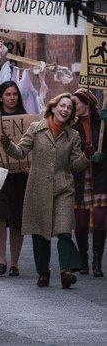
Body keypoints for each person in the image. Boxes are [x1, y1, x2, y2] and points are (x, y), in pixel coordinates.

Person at [1, 93, 90, 289]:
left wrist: (86, 157)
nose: (65, 109)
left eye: (69, 108)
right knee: (40, 234)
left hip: (63, 189)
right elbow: (20, 152)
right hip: (38, 188)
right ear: (53, 107)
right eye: (62, 106)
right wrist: (7, 145)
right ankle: (43, 272)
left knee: (64, 232)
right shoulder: (36, 128)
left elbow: (75, 166)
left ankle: (66, 271)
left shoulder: (73, 136)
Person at [0, 80, 29, 276]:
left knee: (18, 219)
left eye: (15, 94)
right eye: (8, 94)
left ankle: (14, 263)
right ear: (1, 97)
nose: (12, 98)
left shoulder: (27, 120)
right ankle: (1, 260)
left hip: (20, 175)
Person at [71, 88, 106, 277]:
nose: (72, 107)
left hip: (100, 176)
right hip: (79, 178)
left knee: (100, 220)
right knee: (81, 224)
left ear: (86, 104)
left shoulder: (101, 124)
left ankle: (97, 261)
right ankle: (83, 260)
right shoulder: (71, 127)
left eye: (75, 103)